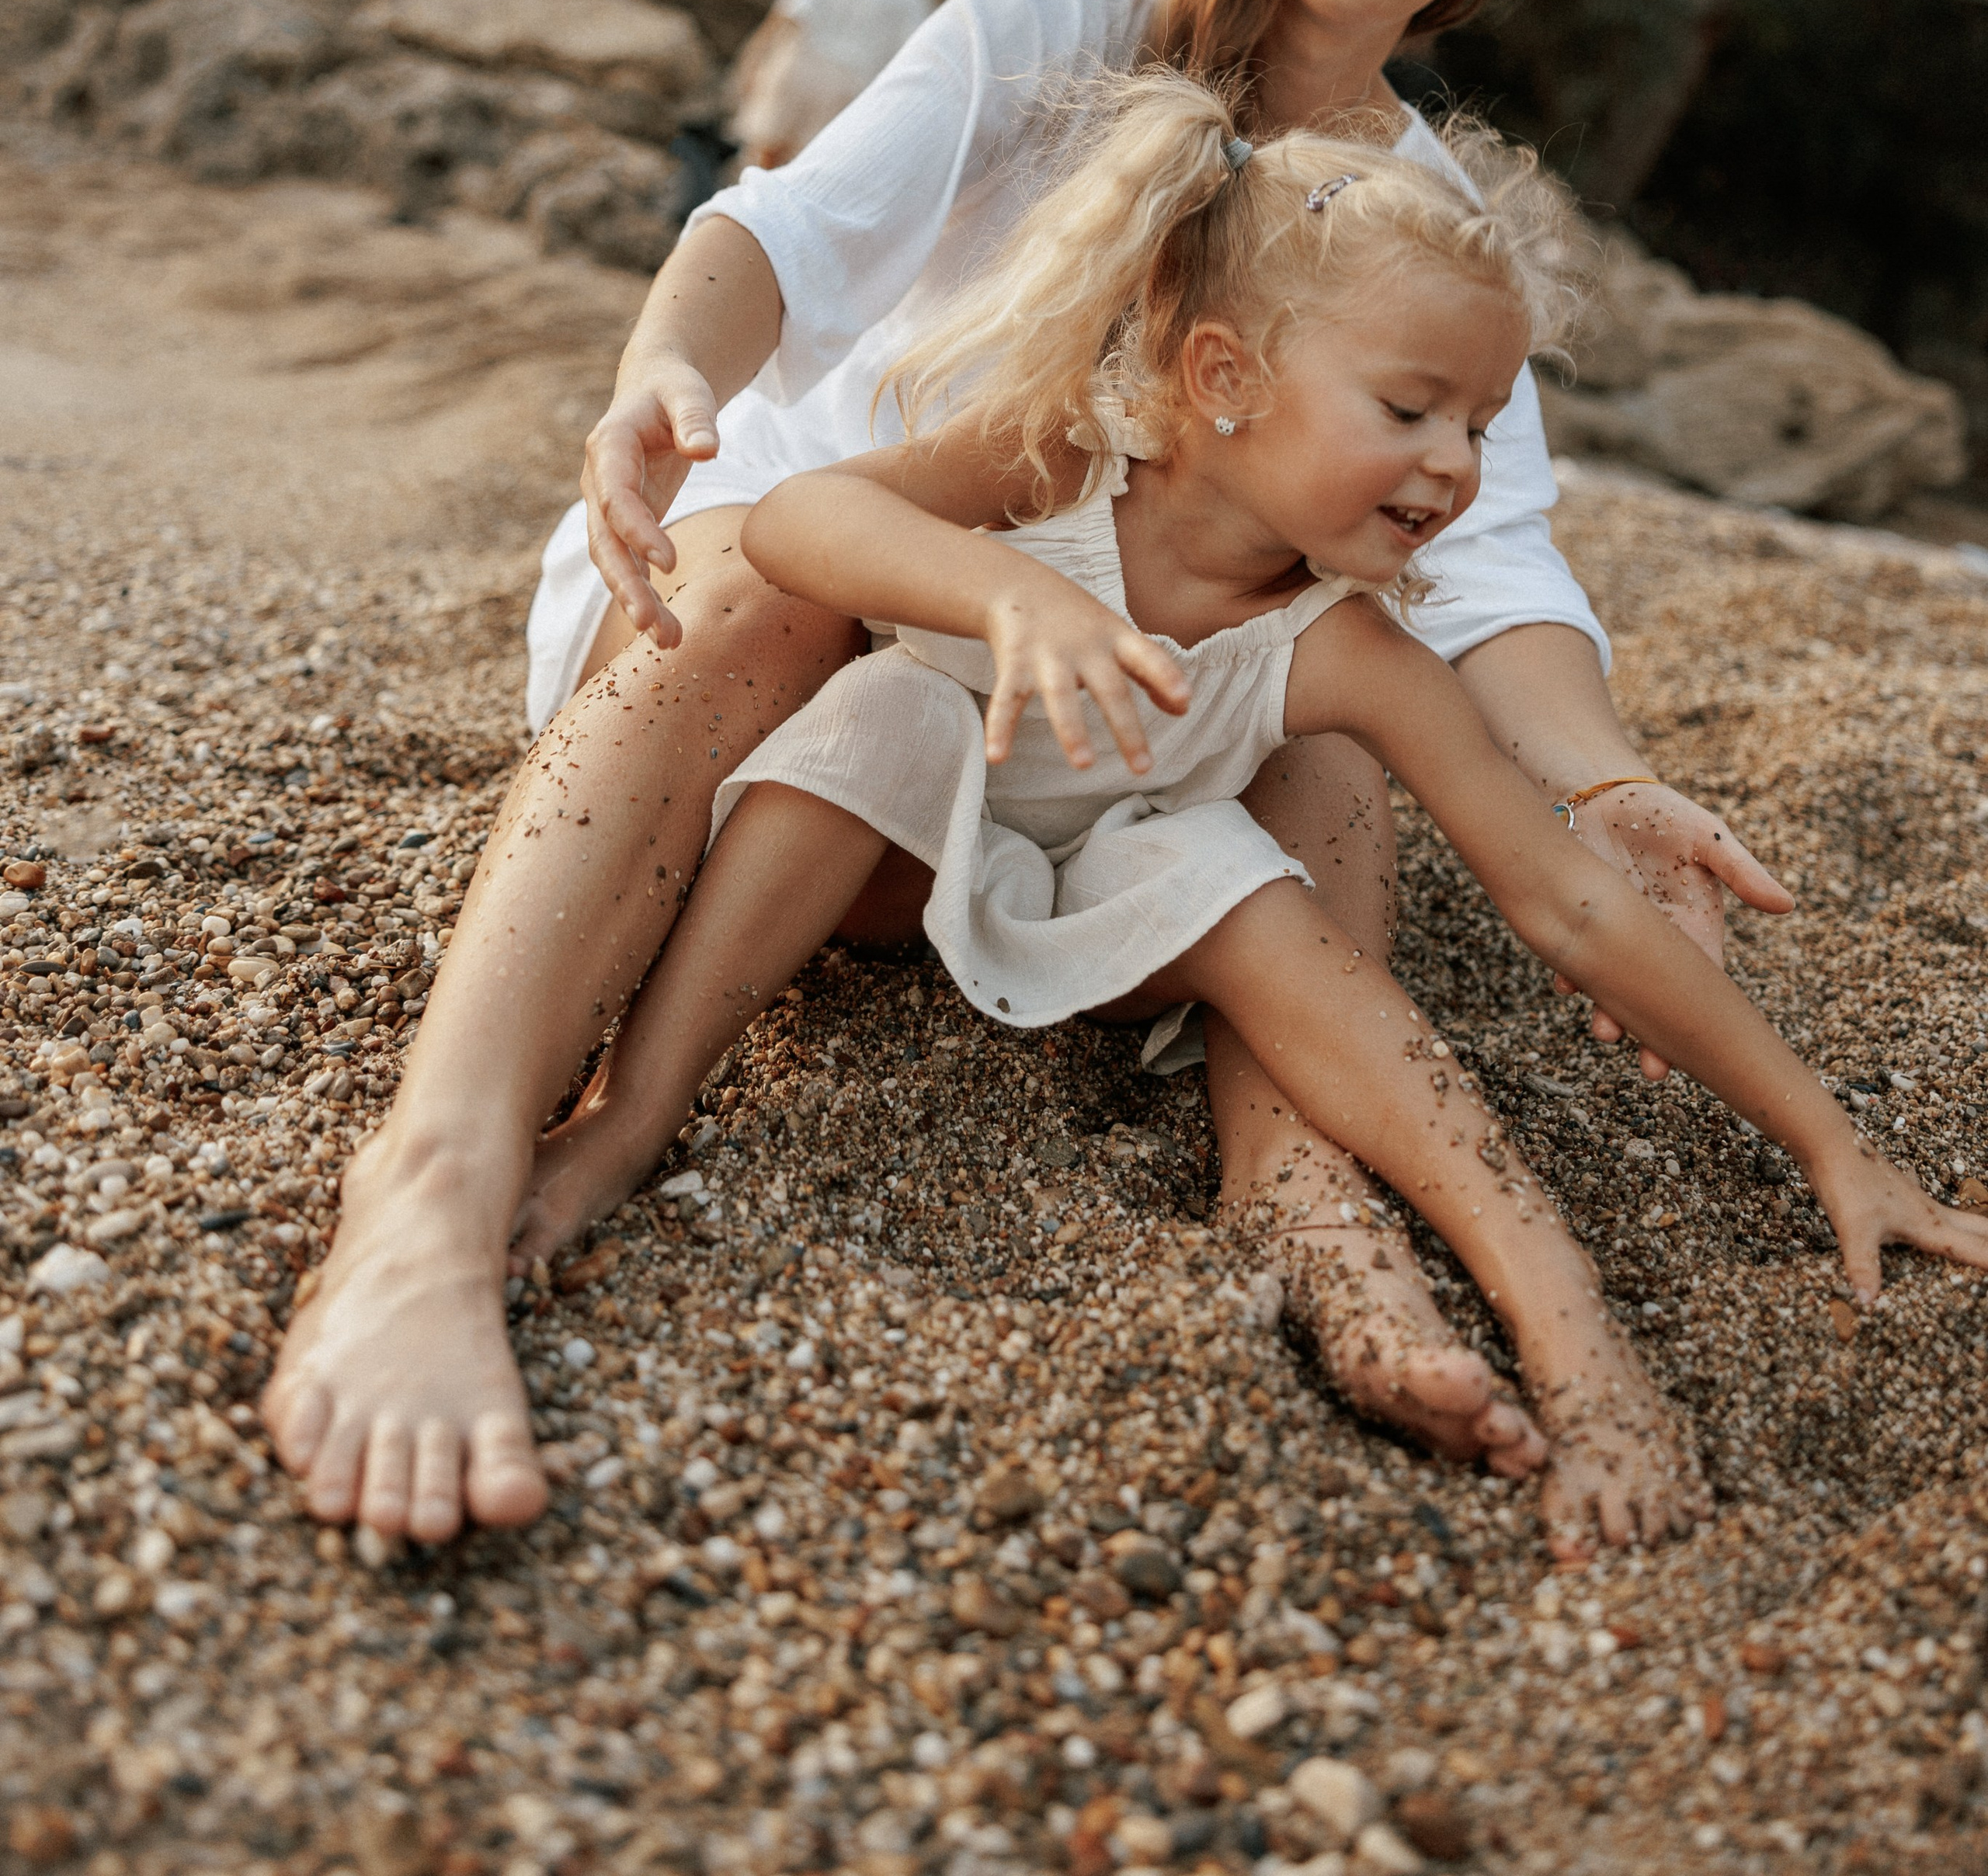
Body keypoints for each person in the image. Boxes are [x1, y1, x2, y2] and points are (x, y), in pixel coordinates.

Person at [264, 0, 1797, 1547]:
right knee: (765, 564)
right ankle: (431, 1180)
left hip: (1074, 778)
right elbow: (776, 238)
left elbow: (1494, 561)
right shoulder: (1050, 33)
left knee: (1334, 685)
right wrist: (665, 371)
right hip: (784, 709)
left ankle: (1297, 1176)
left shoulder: (1425, 223)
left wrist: (1593, 783)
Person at [499, 77, 1988, 1553]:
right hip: (875, 863)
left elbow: (1571, 901)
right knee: (889, 709)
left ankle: (1574, 1333)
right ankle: (630, 1115)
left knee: (1230, 867)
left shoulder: (1348, 648)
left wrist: (1826, 1137)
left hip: (1108, 921)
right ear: (1223, 375)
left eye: (1476, 421)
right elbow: (794, 522)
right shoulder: (1058, 461)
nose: (1457, 465)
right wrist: (1007, 592)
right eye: (1410, 408)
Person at [727, 0, 938, 169]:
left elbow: (793, 10)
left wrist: (755, 51)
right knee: (803, 168)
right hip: (850, 88)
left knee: (762, 156)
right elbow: (906, 61)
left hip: (802, 62)